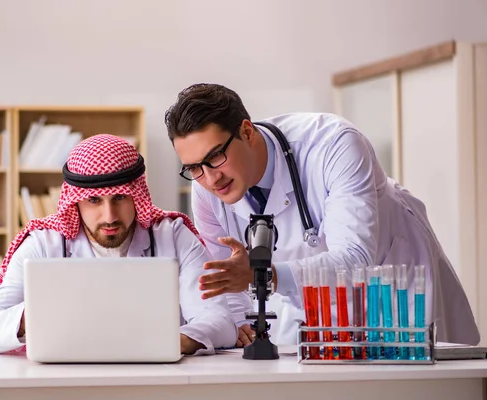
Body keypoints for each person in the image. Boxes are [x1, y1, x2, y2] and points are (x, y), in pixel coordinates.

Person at [164, 82, 480, 346]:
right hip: (305, 303)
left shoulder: (333, 144)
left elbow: (354, 256)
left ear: (247, 131)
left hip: (389, 287)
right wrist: (241, 325)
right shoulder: (205, 188)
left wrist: (267, 275)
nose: (209, 178)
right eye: (194, 168)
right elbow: (224, 279)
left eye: (216, 156)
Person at [0, 134, 243, 356]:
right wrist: (34, 313)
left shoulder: (174, 236)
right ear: (75, 201)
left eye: (120, 198)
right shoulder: (42, 244)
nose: (110, 216)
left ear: (136, 194)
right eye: (94, 201)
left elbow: (220, 322)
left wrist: (174, 342)